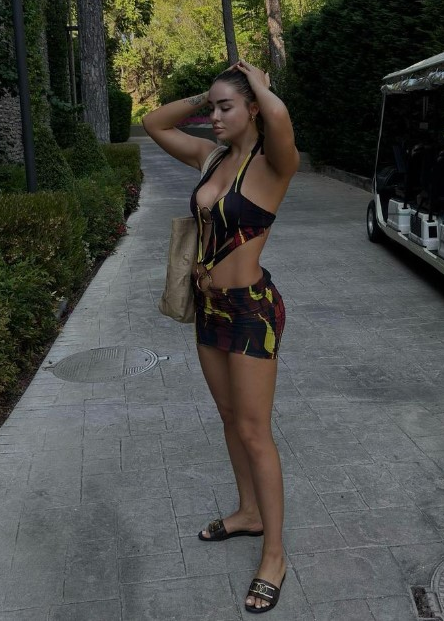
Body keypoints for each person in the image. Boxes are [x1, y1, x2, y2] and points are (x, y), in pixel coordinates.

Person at [143, 60, 299, 614]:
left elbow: (280, 118)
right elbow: (154, 122)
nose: (213, 116)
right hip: (209, 309)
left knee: (255, 432)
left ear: (252, 109)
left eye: (224, 107)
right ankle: (249, 513)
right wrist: (204, 94)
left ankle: (274, 556)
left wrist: (258, 83)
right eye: (211, 108)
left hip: (251, 311)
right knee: (231, 419)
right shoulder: (211, 157)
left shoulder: (274, 165)